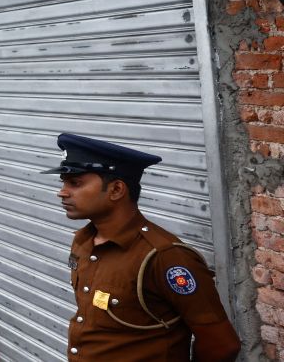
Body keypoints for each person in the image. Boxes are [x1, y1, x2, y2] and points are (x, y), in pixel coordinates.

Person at [42, 132, 241, 361]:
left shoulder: (165, 256)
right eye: (64, 183)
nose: (62, 192)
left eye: (75, 183)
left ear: (116, 190)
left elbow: (222, 344)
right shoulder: (84, 242)